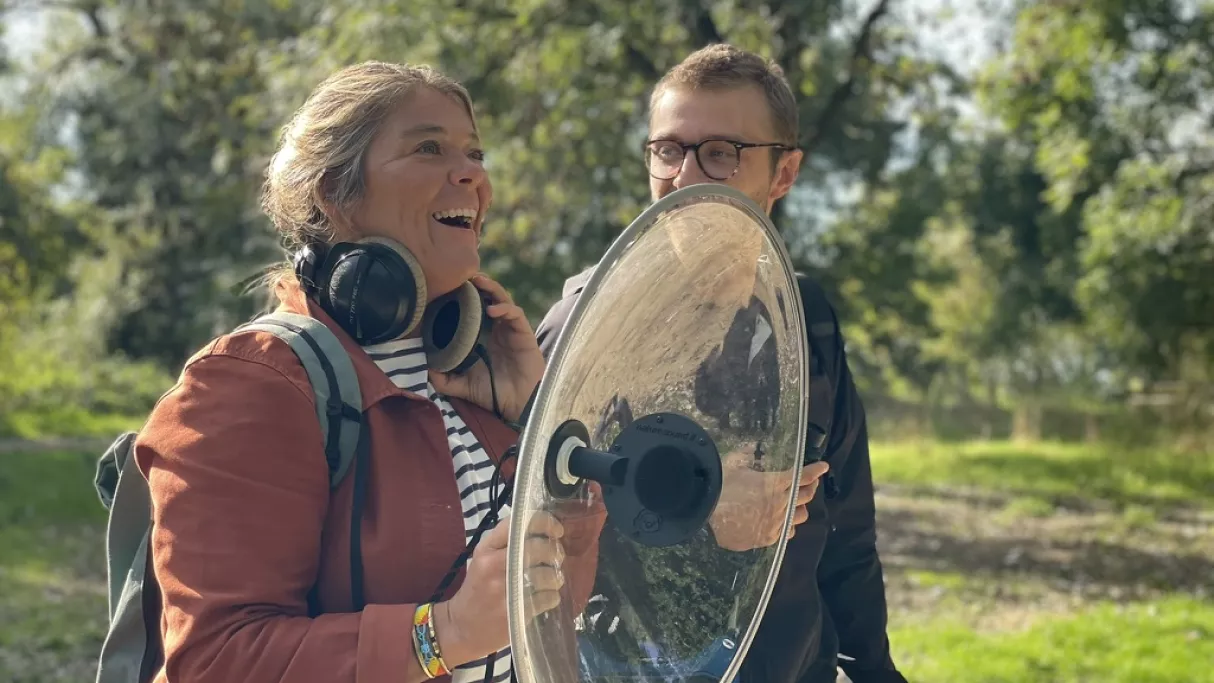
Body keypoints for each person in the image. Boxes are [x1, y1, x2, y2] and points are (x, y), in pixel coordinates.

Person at [132, 60, 604, 683]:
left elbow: (553, 612)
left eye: (474, 151)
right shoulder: (251, 384)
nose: (472, 173)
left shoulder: (480, 380)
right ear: (337, 194)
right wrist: (445, 633)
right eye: (428, 148)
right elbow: (215, 661)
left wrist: (539, 419)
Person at [535, 44, 908, 683]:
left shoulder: (806, 318)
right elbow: (536, 531)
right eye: (667, 149)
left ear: (784, 173)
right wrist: (706, 514)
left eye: (721, 152)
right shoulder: (586, 325)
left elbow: (847, 534)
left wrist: (874, 670)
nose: (684, 176)